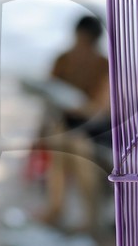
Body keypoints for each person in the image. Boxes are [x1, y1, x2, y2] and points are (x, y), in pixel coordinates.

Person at [38, 13, 110, 233]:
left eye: (85, 42)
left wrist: (78, 107)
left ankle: (90, 219)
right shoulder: (63, 60)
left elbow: (100, 109)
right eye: (79, 40)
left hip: (94, 129)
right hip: (67, 123)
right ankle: (56, 208)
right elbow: (48, 94)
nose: (81, 46)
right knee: (60, 143)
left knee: (78, 150)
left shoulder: (103, 65)